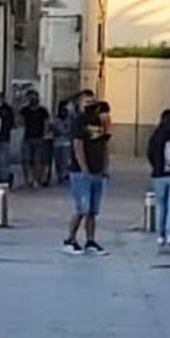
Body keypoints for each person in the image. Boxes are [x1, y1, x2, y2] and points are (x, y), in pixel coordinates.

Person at [64, 91, 109, 255]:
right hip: (81, 173)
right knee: (81, 208)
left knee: (92, 211)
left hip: (97, 171)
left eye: (93, 101)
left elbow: (102, 144)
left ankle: (90, 241)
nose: (91, 104)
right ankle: (70, 240)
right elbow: (78, 146)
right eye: (87, 102)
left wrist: (104, 166)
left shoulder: (97, 121)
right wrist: (84, 169)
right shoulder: (78, 122)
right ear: (80, 105)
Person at [148, 109, 170, 247]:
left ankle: (160, 235)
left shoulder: (157, 135)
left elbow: (150, 152)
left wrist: (156, 166)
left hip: (159, 176)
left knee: (161, 206)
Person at [20, 91, 50, 188]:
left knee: (37, 160)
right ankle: (27, 180)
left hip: (39, 138)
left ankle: (36, 180)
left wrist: (44, 134)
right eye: (31, 98)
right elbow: (19, 121)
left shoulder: (43, 111)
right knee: (26, 160)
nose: (33, 100)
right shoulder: (24, 110)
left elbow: (46, 123)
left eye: (35, 98)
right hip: (27, 137)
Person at [0, 91, 15, 186]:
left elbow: (11, 123)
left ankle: (5, 179)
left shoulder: (7, 109)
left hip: (4, 137)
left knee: (3, 160)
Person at [52, 102, 73, 185]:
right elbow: (54, 129)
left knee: (65, 160)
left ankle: (64, 175)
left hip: (66, 143)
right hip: (57, 143)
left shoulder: (70, 119)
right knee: (57, 161)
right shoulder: (56, 119)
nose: (63, 112)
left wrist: (61, 131)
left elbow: (69, 130)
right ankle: (59, 175)